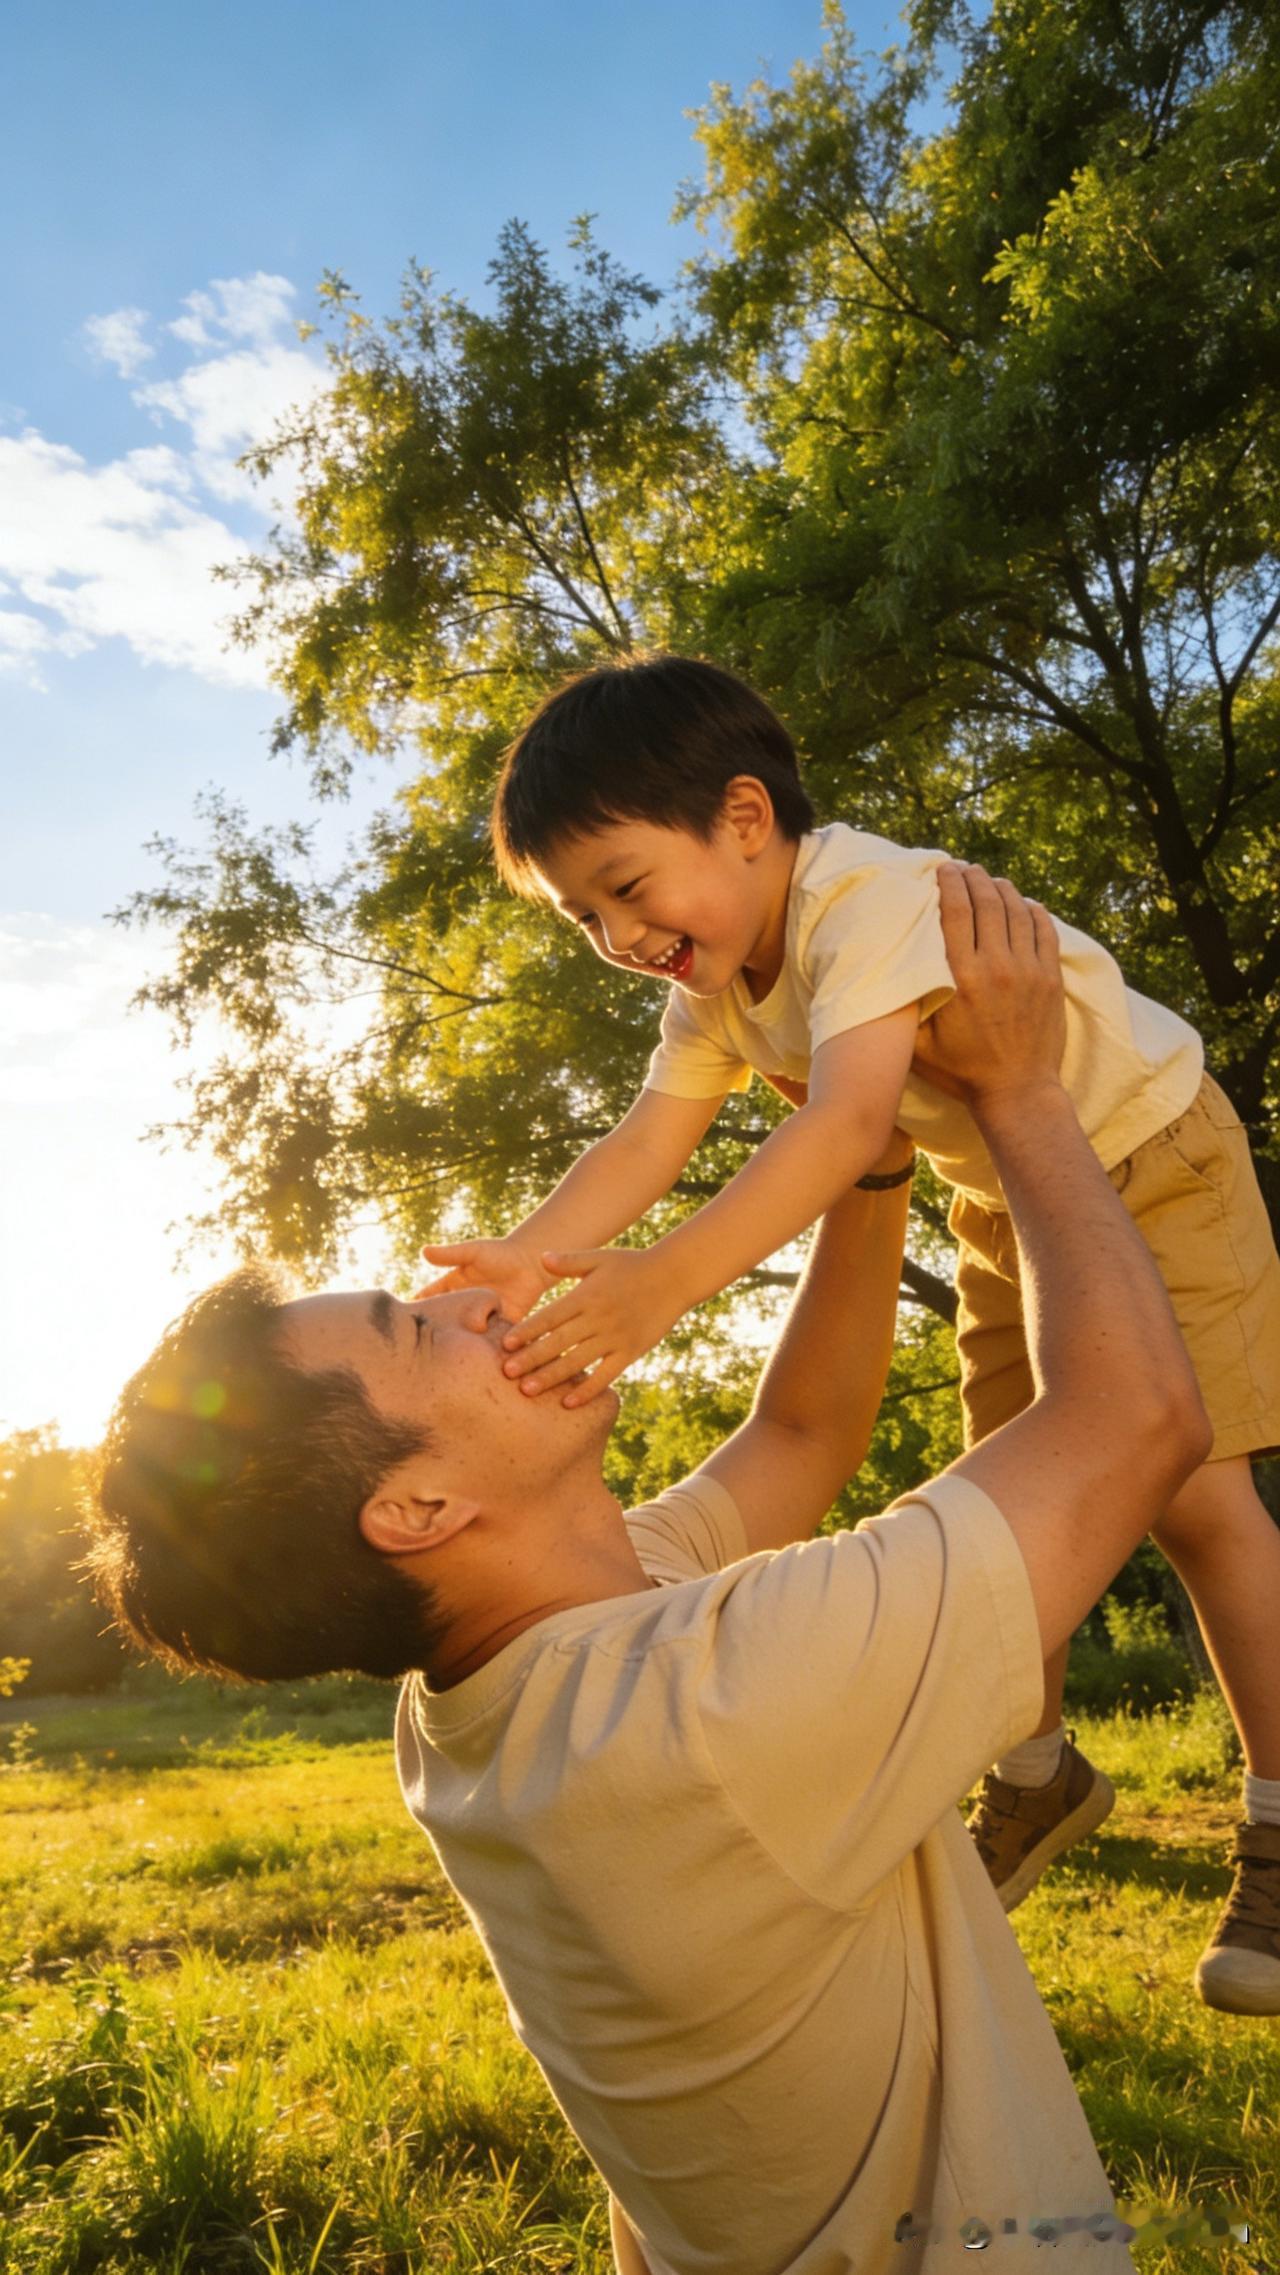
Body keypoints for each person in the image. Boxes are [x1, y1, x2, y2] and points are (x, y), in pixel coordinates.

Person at [91, 868, 1212, 2274]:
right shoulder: (708, 1705)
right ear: (420, 1507)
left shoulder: (502, 1693)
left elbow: (799, 1437)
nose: (478, 1302)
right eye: (418, 1329)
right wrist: (1023, 1092)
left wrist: (866, 1159)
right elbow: (1137, 1417)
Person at [419, 653, 1280, 2012]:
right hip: (1009, 1198)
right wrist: (525, 1257)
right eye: (584, 916)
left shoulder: (863, 901)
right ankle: (1040, 1773)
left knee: (1200, 1502)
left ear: (744, 819)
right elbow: (647, 1136)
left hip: (1155, 1155)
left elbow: (847, 1124)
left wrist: (664, 1283)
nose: (619, 935)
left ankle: (1279, 1824)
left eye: (628, 887)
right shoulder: (714, 986)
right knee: (1019, 1485)